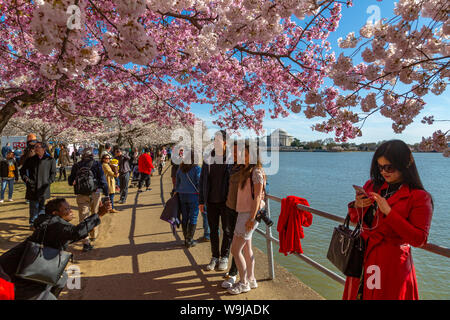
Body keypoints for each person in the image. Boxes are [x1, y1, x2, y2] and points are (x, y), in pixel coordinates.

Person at [342, 140, 433, 300]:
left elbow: (419, 239)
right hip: (363, 254)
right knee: (358, 294)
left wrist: (389, 213)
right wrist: (358, 205)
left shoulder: (419, 196)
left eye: (389, 167)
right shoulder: (372, 185)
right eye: (380, 167)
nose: (384, 172)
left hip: (390, 262)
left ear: (405, 164)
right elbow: (357, 220)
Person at [0, 197, 111, 300]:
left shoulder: (52, 224)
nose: (71, 211)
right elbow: (76, 232)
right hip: (16, 275)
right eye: (66, 209)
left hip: (26, 269)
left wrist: (98, 216)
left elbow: (72, 236)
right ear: (55, 213)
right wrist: (98, 214)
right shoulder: (54, 224)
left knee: (61, 278)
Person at [228, 142, 265, 295]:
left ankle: (243, 283)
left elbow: (257, 197)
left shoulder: (255, 172)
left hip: (248, 215)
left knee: (235, 250)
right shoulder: (246, 170)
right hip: (244, 213)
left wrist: (251, 218)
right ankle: (251, 278)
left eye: (245, 154)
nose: (241, 156)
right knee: (246, 248)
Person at [199, 130, 233, 272]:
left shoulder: (231, 158)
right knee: (213, 230)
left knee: (227, 230)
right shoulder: (208, 157)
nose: (215, 142)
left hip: (227, 202)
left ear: (224, 142)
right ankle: (215, 257)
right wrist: (201, 200)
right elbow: (203, 180)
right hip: (211, 200)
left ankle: (224, 257)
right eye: (214, 140)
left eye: (218, 140)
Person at [68, 147, 109, 252]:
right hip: (95, 193)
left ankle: (85, 242)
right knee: (95, 213)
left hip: (81, 194)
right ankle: (93, 234)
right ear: (92, 155)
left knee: (83, 217)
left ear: (82, 156)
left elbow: (70, 181)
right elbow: (103, 180)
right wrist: (107, 194)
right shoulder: (96, 165)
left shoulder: (77, 165)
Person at [221, 141, 243, 289]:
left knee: (237, 244)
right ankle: (235, 271)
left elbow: (263, 187)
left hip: (241, 210)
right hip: (229, 206)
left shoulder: (249, 167)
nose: (234, 154)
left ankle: (234, 273)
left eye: (237, 152)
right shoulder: (230, 166)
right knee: (230, 237)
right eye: (233, 151)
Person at [19, 142, 56, 228]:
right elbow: (22, 171)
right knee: (33, 207)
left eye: (38, 147)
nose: (35, 149)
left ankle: (41, 223)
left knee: (42, 207)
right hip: (33, 187)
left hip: (44, 187)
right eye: (35, 147)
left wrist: (49, 181)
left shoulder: (50, 160)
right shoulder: (30, 159)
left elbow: (53, 173)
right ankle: (33, 223)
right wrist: (27, 180)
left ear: (44, 149)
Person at [175, 151, 201, 248]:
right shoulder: (196, 168)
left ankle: (186, 238)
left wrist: (177, 190)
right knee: (193, 217)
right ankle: (189, 240)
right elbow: (199, 181)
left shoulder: (181, 168)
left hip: (182, 195)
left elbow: (177, 182)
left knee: (185, 217)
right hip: (193, 195)